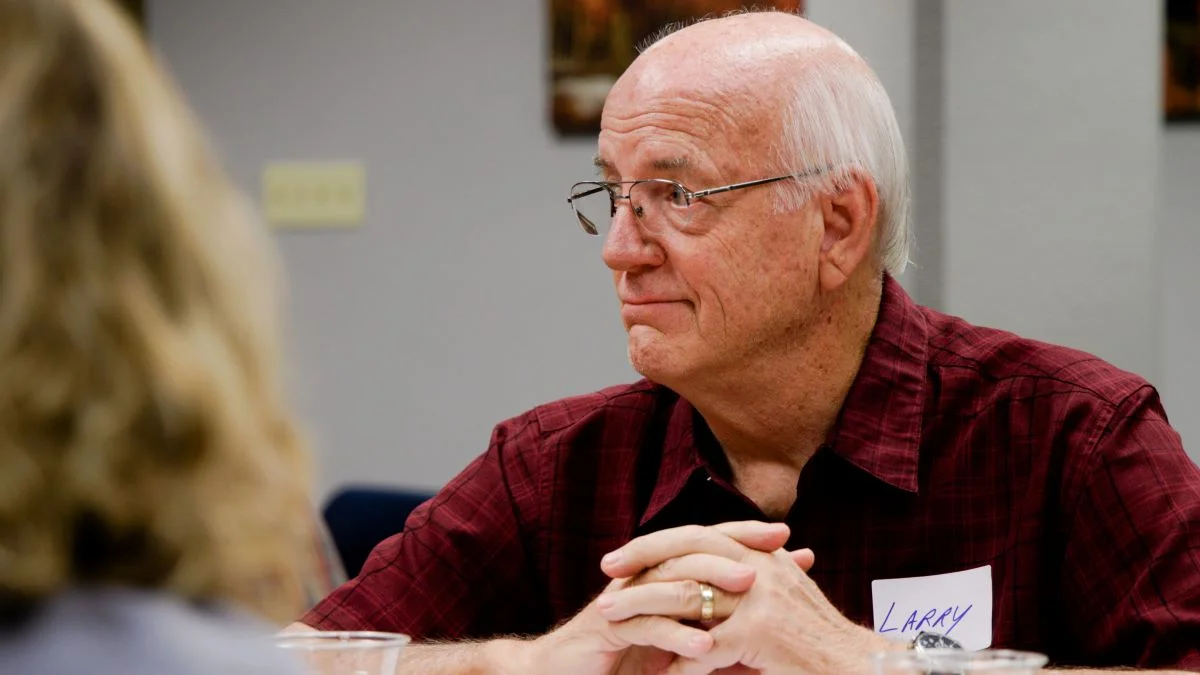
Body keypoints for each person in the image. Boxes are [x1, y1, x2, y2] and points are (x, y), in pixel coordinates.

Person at [295, 10, 1200, 674]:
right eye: (615, 195)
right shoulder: (556, 467)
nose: (620, 250)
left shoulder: (1072, 436)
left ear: (837, 224)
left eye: (677, 197)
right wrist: (529, 664)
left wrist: (873, 664)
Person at [0, 0, 313, 673]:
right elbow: (328, 632)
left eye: (611, 195)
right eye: (600, 192)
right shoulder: (533, 457)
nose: (606, 252)